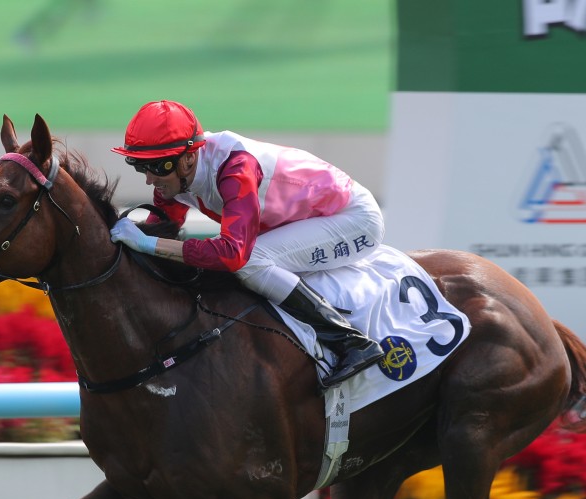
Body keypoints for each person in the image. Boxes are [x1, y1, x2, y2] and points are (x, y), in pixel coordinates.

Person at [108, 100, 385, 388]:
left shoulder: (236, 168)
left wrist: (148, 243)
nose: (150, 180)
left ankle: (350, 342)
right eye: (141, 167)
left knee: (252, 260)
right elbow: (160, 235)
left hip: (352, 219)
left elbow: (232, 255)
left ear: (189, 158)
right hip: (305, 220)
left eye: (156, 166)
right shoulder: (174, 179)